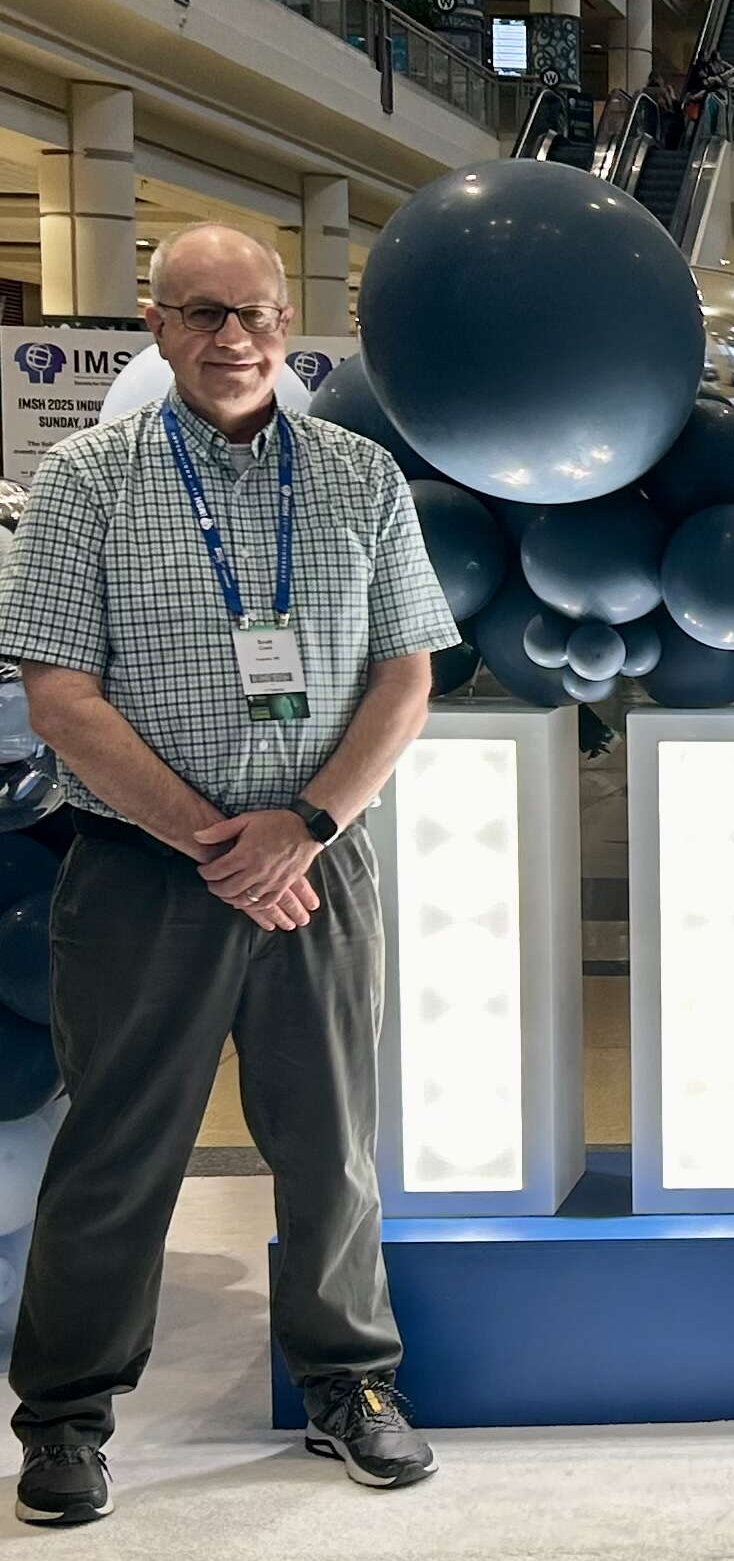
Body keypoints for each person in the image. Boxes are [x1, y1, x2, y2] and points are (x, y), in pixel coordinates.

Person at [0, 226, 461, 1525]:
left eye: (254, 312)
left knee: (330, 1142)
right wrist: (221, 839)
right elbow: (60, 694)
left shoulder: (362, 477)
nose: (233, 338)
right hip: (145, 874)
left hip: (317, 863)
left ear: (286, 323)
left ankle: (348, 1384)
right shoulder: (87, 481)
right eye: (203, 313)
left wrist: (302, 823)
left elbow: (406, 674)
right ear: (157, 325)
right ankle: (69, 1415)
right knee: (117, 1150)